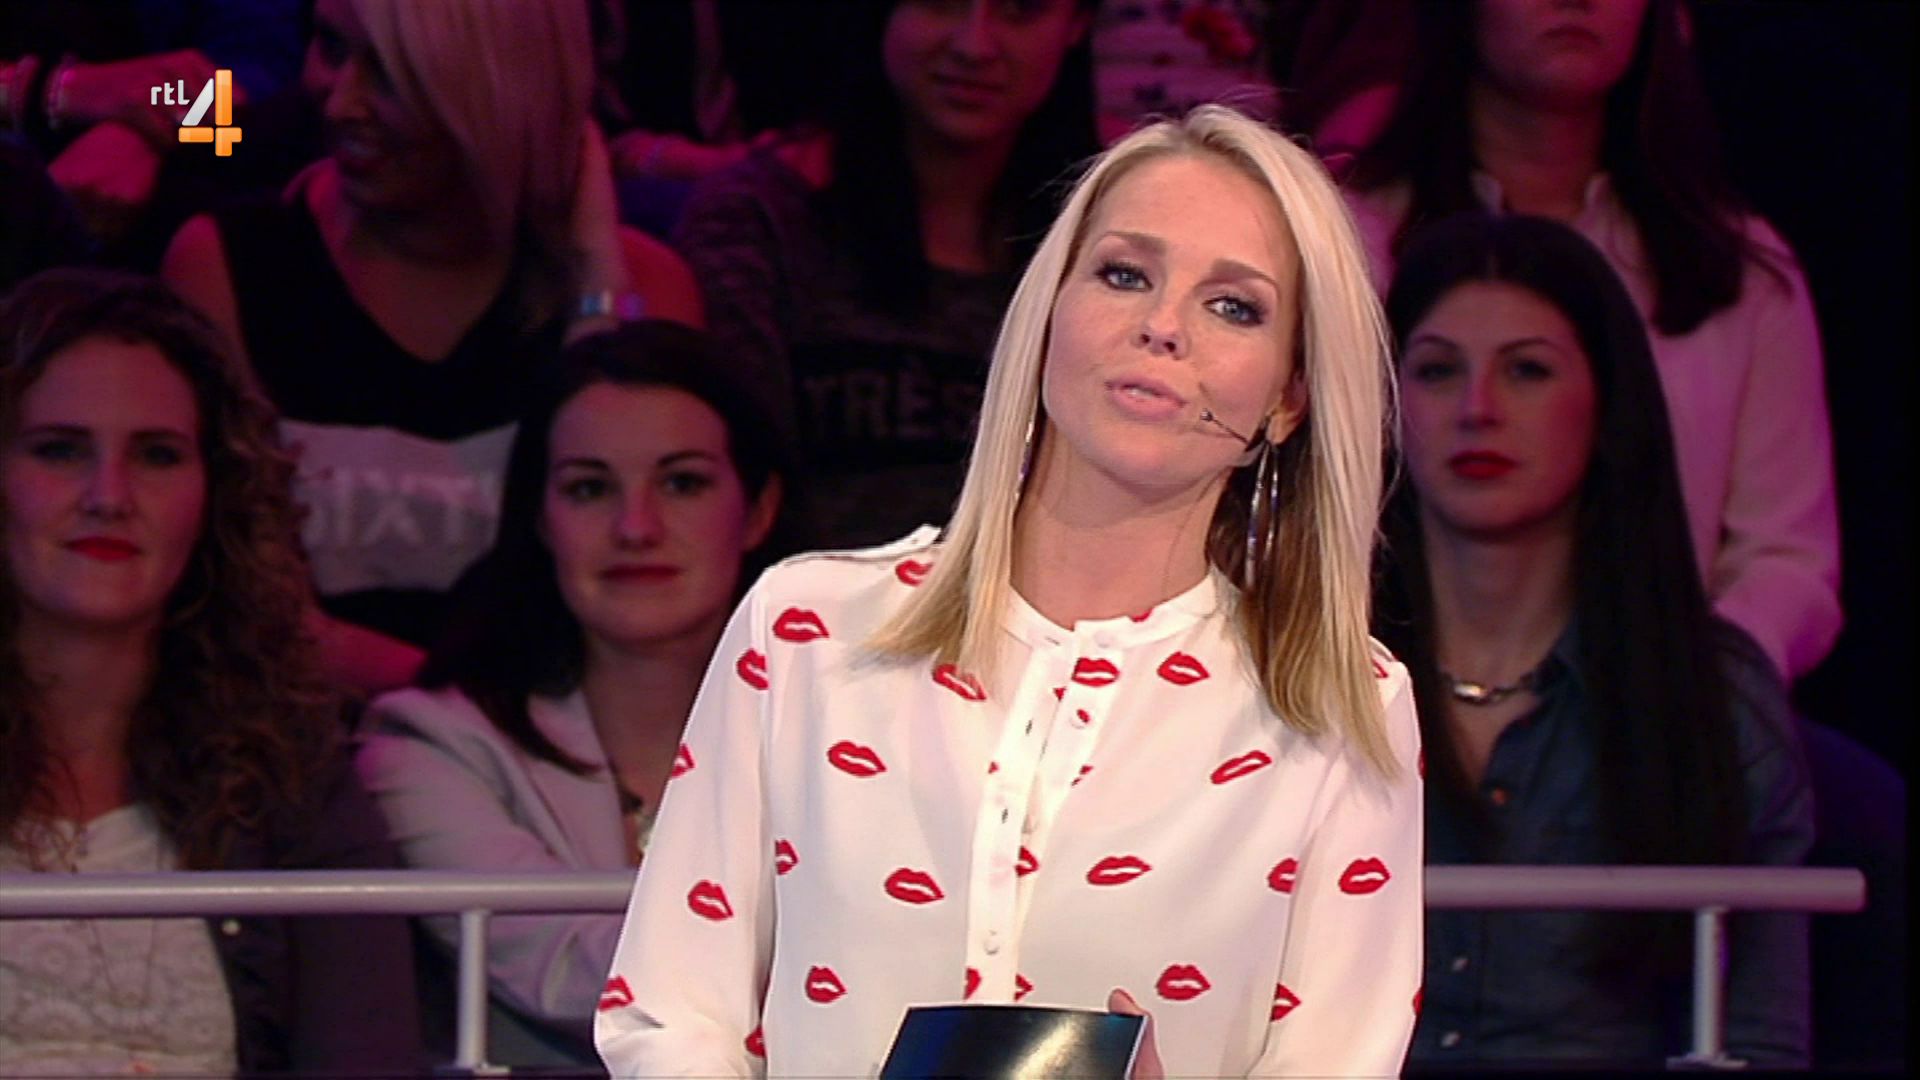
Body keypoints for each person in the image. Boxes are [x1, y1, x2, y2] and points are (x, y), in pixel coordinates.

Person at [598, 104, 1422, 1078]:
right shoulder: (806, 630)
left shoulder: (1345, 705)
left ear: (1288, 398)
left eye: (1234, 307)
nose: (1162, 327)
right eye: (1125, 274)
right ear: (1048, 310)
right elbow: (671, 1013)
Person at [161, 0, 703, 697]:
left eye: (391, 72)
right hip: (319, 744)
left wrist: (596, 276)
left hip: (575, 745)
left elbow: (646, 583)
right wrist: (466, 721)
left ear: (500, 86)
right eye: (331, 47)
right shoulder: (227, 268)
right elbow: (250, 610)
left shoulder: (645, 288)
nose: (340, 101)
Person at [1373, 213, 1813, 1068]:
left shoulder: (1717, 704)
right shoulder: (1300, 680)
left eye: (1527, 370)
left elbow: (1758, 1043)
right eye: (1436, 370)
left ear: (1607, 405)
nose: (1477, 409)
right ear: (1387, 409)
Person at [1343, 0, 1839, 682]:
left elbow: (1788, 561)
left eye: (1528, 370)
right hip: (1385, 698)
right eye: (1438, 370)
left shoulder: (1738, 270)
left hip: (1663, 711)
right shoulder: (1350, 245)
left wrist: (1686, 696)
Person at [0, 268, 420, 1074]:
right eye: (60, 450)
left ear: (214, 494)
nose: (109, 495)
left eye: (156, 455)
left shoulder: (292, 781)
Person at [355, 321, 795, 1065]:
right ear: (540, 520)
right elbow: (568, 971)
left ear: (757, 510)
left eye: (682, 482)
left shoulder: (856, 734)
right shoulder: (426, 747)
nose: (636, 527)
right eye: (590, 488)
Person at [673, 0, 1099, 547]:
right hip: (805, 595)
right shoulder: (758, 220)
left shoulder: (1108, 240)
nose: (974, 46)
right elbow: (737, 489)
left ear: (1077, 24)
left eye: (1018, 10)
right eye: (941, 2)